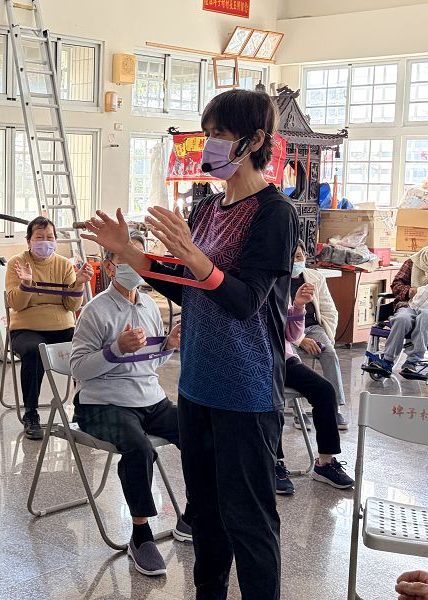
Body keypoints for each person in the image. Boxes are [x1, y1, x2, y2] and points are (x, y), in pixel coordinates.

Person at [83, 89, 299, 599]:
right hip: (197, 387)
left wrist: (193, 256)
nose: (210, 144)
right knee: (206, 515)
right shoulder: (206, 208)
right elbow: (186, 286)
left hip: (245, 392)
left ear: (255, 140)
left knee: (248, 520)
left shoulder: (274, 213)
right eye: (209, 134)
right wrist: (129, 253)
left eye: (220, 134)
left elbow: (244, 300)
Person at [70, 230, 192, 578]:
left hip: (149, 399)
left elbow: (149, 363)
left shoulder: (149, 305)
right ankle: (141, 535)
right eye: (126, 259)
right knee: (139, 448)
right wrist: (115, 350)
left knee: (198, 430)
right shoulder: (95, 311)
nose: (136, 266)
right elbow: (78, 369)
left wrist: (167, 345)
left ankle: (193, 515)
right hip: (102, 403)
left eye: (141, 259)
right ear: (110, 267)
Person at [6, 216, 93, 439]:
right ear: (29, 241)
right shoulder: (17, 263)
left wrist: (79, 283)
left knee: (87, 349)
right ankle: (31, 414)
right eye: (39, 237)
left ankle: (85, 410)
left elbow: (72, 306)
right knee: (34, 351)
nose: (45, 242)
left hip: (62, 327)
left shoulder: (64, 264)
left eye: (50, 237)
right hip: (27, 329)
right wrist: (26, 284)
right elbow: (16, 304)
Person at [274, 284, 354, 496]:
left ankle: (325, 463)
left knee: (325, 391)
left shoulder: (278, 286)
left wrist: (298, 306)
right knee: (271, 398)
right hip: (255, 360)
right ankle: (273, 462)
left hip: (284, 358)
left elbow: (292, 335)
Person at [290, 239, 348, 429]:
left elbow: (329, 310)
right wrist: (300, 340)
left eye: (299, 256)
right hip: (288, 332)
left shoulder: (315, 277)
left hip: (313, 327)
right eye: (291, 257)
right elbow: (279, 318)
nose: (296, 261)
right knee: (292, 360)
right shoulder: (276, 280)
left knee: (329, 352)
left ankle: (334, 408)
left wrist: (328, 337)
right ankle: (297, 411)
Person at [366, 246, 428, 381]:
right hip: (408, 305)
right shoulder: (414, 261)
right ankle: (387, 360)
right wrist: (410, 291)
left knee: (425, 316)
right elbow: (396, 285)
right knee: (402, 319)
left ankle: (413, 361)